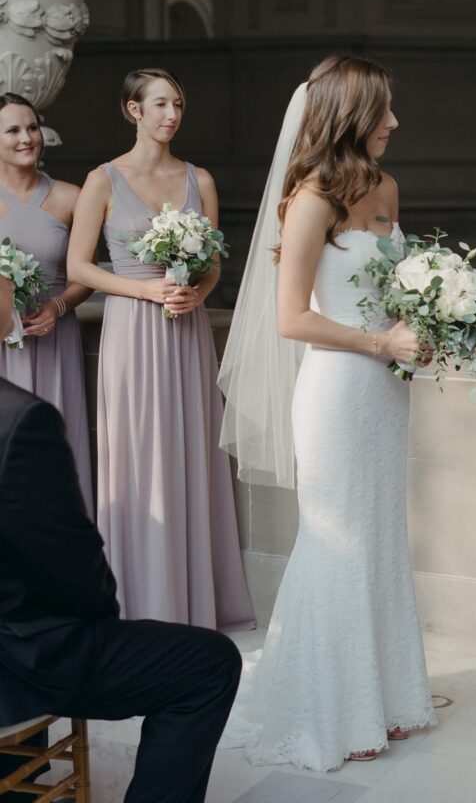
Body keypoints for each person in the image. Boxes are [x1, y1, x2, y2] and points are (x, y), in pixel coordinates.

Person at [219, 55, 436, 771]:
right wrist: (379, 340)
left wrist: (424, 331)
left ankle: (388, 699)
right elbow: (291, 318)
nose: (395, 123)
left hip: (385, 392)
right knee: (336, 538)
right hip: (338, 391)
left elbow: (396, 292)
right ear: (348, 116)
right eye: (383, 111)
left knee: (379, 535)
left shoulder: (388, 188)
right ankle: (330, 711)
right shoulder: (309, 198)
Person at [0, 272, 243, 803]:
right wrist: (99, 615)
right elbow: (68, 567)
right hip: (20, 661)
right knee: (209, 663)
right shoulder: (19, 421)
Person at [67, 67, 255, 630]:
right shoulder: (103, 180)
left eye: (178, 104)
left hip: (184, 334)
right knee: (139, 456)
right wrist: (145, 288)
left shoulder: (201, 180)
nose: (171, 115)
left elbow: (215, 262)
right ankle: (141, 602)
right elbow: (78, 267)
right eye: (159, 105)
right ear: (133, 111)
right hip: (132, 331)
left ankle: (196, 599)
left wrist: (196, 293)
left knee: (192, 451)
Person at [0, 92, 93, 514]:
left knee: (56, 452)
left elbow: (86, 275)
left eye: (32, 128)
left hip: (55, 343)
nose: (27, 138)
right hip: (1, 346)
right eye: (13, 130)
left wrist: (58, 307)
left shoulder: (72, 197)